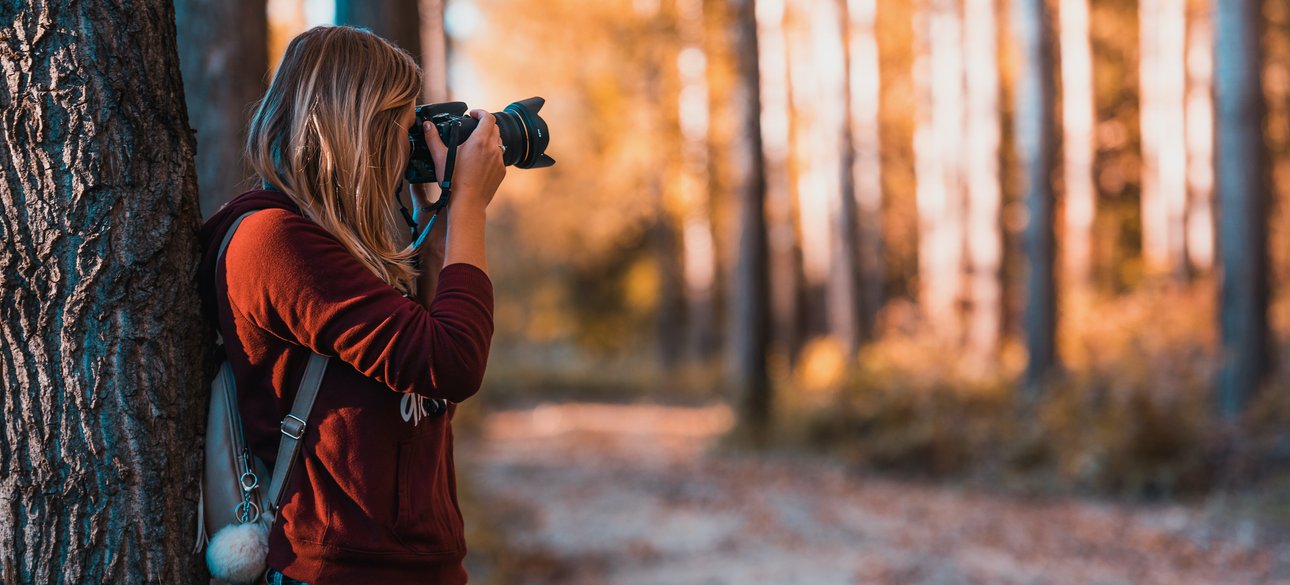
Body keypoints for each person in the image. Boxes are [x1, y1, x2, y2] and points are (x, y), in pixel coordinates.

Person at [197, 25, 505, 585]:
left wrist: (434, 216)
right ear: (363, 130)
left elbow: (425, 387)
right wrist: (468, 206)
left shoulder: (342, 247)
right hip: (336, 569)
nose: (408, 147)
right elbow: (453, 362)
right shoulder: (274, 242)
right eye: (403, 128)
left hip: (413, 565)